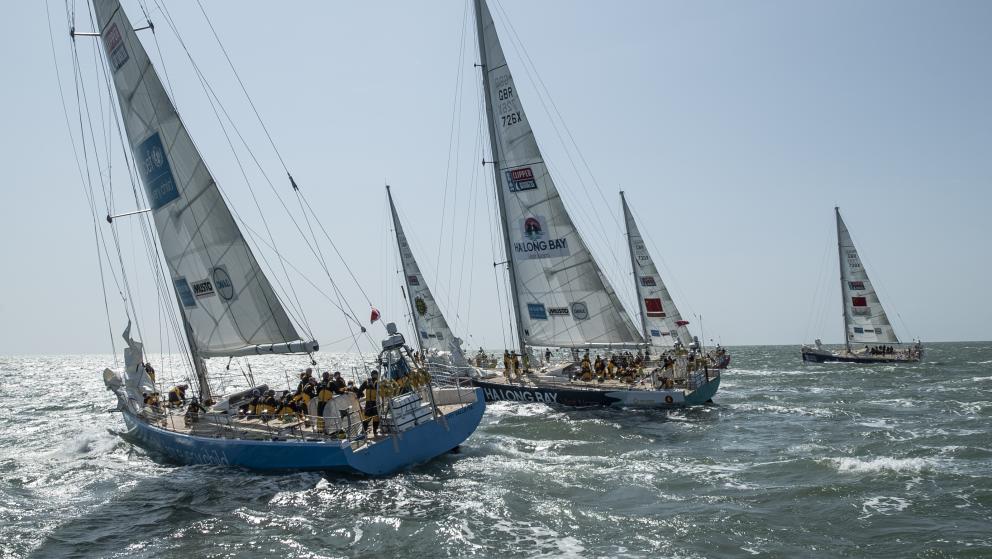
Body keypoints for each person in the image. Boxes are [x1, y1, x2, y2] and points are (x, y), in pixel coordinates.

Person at [358, 370, 381, 436]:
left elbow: (360, 390)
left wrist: (359, 395)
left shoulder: (367, 382)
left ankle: (364, 432)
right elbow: (381, 392)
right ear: (377, 375)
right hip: (375, 403)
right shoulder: (377, 383)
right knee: (375, 418)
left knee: (367, 418)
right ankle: (374, 431)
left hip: (368, 403)